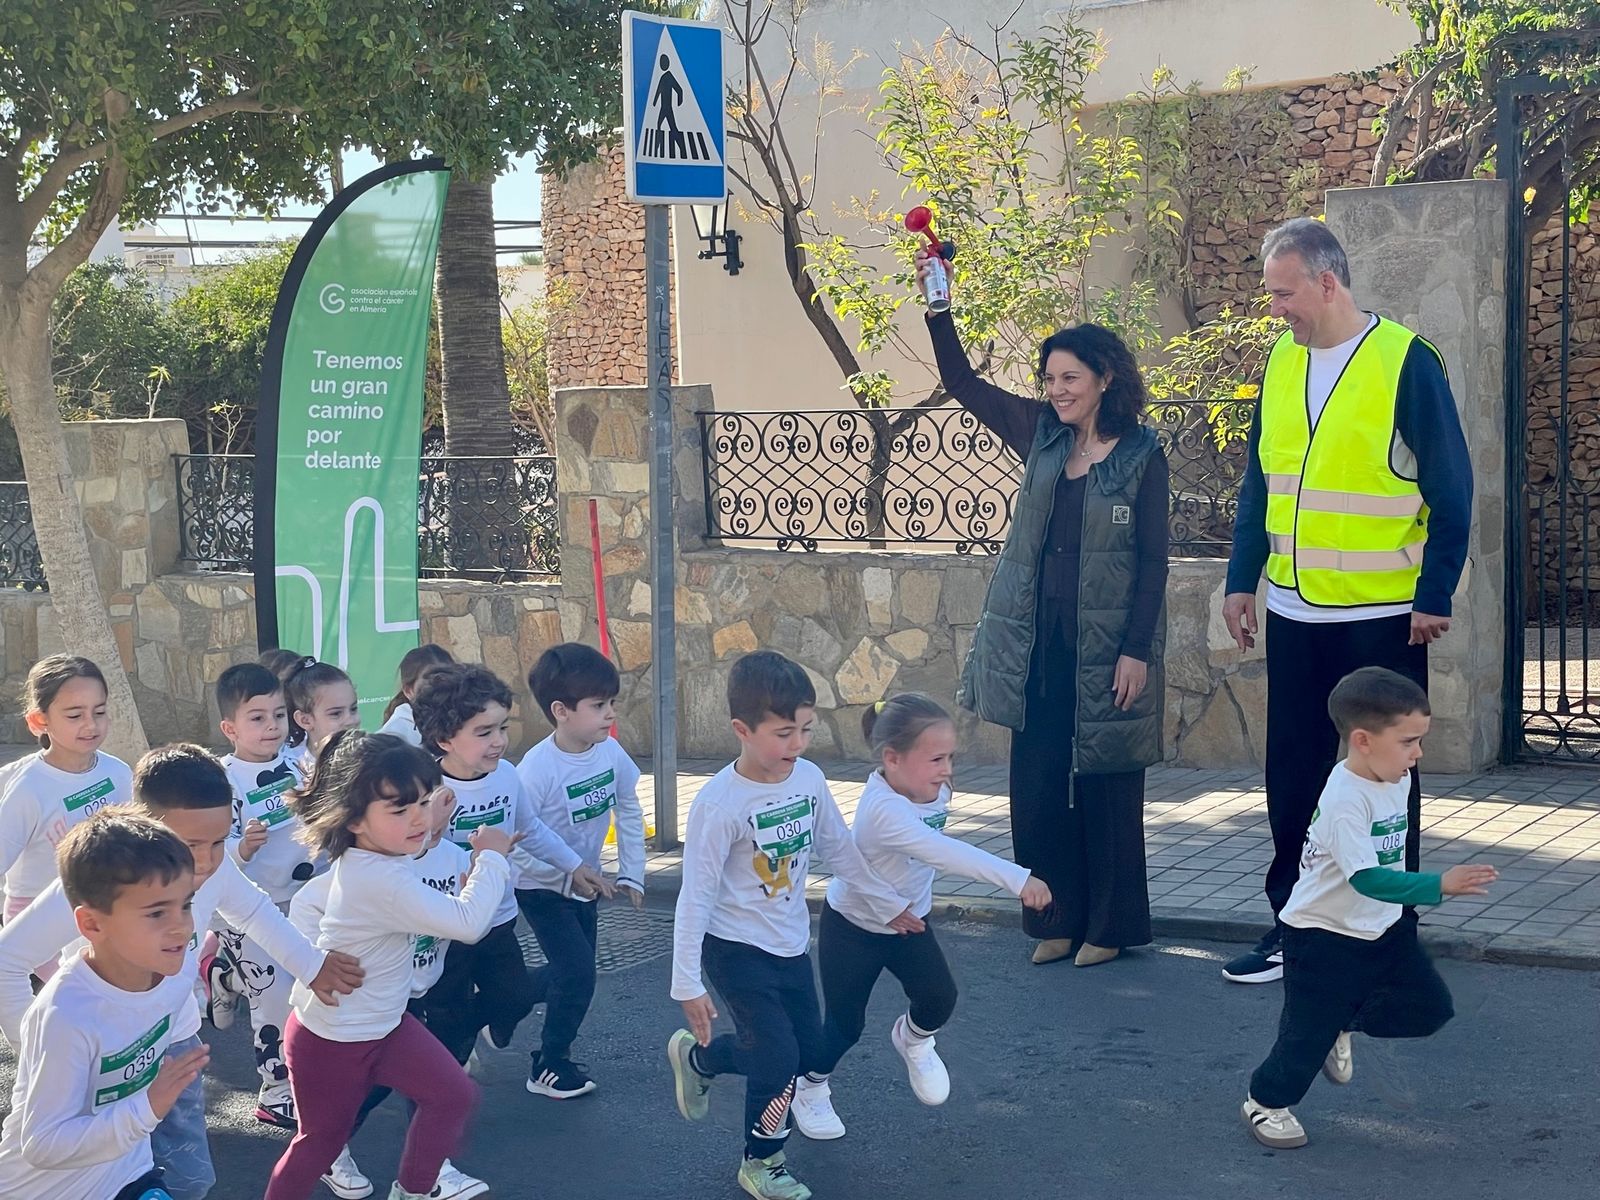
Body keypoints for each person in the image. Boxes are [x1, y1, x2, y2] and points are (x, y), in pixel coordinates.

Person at [1219, 217, 1473, 985]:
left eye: (1285, 293)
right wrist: (1241, 578)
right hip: (1297, 613)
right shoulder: (1279, 363)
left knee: (1387, 783)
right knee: (1293, 778)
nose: (1277, 310)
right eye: (1272, 295)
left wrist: (1435, 593)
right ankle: (1292, 927)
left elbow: (1452, 489)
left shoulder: (1406, 362)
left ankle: (1389, 934)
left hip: (1382, 618)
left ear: (1328, 282)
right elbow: (1261, 483)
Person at [915, 249, 1169, 967]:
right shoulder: (1040, 435)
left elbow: (1153, 561)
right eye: (1050, 379)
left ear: (1104, 380)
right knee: (1035, 784)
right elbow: (960, 380)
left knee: (1108, 788)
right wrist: (939, 305)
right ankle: (1053, 919)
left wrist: (1136, 650)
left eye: (1070, 378)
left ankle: (1109, 928)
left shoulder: (1143, 453)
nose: (1057, 390)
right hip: (1036, 643)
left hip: (1110, 647)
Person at [0, 742, 364, 1200]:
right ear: (146, 829)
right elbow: (7, 960)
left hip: (172, 1042)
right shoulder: (97, 885)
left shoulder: (213, 871)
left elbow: (253, 910)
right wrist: (41, 1050)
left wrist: (312, 965)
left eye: (218, 841)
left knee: (186, 1178)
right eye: (192, 844)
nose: (208, 861)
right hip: (99, 1058)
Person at [666, 650, 922, 1200]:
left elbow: (839, 850)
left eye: (805, 729)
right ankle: (762, 1161)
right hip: (734, 949)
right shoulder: (718, 804)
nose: (799, 744)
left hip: (789, 944)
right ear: (742, 729)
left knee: (804, 1051)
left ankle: (700, 1058)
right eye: (784, 733)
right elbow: (696, 894)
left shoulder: (807, 778)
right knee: (778, 1059)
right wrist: (686, 982)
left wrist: (883, 902)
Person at [1242, 668, 1496, 1148]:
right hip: (1322, 938)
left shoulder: (1395, 776)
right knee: (1303, 1039)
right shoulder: (1344, 800)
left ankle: (1345, 1020)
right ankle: (1265, 1102)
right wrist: (1438, 885)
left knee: (1430, 1009)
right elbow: (1369, 878)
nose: (1418, 753)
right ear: (1362, 740)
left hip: (1383, 929)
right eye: (1408, 742)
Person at [791, 693, 1052, 1141]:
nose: (947, 770)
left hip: (909, 923)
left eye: (949, 757)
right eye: (935, 759)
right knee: (843, 1027)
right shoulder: (882, 811)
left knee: (939, 999)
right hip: (855, 925)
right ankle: (809, 1088)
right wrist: (1019, 879)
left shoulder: (935, 788)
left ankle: (913, 1039)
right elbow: (943, 852)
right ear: (892, 759)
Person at [264, 731, 508, 1200]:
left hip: (386, 1026)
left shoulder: (373, 855)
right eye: (400, 809)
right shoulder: (378, 878)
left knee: (452, 1095)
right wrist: (491, 858)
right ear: (354, 819)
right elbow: (470, 922)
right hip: (330, 1042)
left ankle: (413, 1190)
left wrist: (314, 954)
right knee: (320, 1143)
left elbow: (313, 899)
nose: (418, 819)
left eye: (424, 801)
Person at [0, 810, 207, 1200]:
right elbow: (42, 1144)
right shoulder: (66, 1015)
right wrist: (146, 1108)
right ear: (92, 925)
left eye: (186, 905)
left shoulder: (178, 971)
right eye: (157, 912)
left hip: (128, 1175)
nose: (181, 926)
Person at [412, 663, 610, 1062]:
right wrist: (433, 830)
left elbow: (530, 828)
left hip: (497, 917)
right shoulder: (425, 788)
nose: (499, 741)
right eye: (483, 733)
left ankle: (459, 1032)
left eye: (502, 728)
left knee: (516, 998)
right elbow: (405, 855)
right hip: (444, 925)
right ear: (444, 739)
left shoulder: (506, 775)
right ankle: (435, 1091)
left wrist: (574, 866)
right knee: (447, 1019)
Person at [515, 643, 646, 1099]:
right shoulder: (536, 770)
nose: (610, 714)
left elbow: (629, 806)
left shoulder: (609, 753)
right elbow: (518, 844)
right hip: (540, 887)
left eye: (612, 702)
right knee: (576, 975)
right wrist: (565, 875)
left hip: (587, 883)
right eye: (598, 705)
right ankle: (549, 1065)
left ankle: (502, 1000)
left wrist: (632, 873)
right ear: (561, 711)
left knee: (574, 971)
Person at [211, 661, 321, 1127]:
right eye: (257, 718)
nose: (272, 726)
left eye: (278, 714)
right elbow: (211, 851)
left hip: (305, 899)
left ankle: (227, 976)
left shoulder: (302, 763)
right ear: (229, 727)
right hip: (246, 907)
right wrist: (242, 847)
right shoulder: (220, 778)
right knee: (274, 992)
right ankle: (275, 1088)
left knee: (305, 982)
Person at [0, 654, 133, 979]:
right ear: (38, 721)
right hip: (37, 916)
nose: (91, 724)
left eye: (99, 712)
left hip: (103, 907)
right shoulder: (28, 789)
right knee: (79, 995)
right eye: (75, 715)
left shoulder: (117, 773)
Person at [284, 659, 362, 780]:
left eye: (353, 709)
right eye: (336, 713)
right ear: (305, 720)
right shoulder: (290, 769)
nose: (350, 720)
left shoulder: (369, 758)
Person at [377, 645, 456, 747]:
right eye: (431, 682)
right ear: (408, 691)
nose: (441, 689)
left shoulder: (466, 722)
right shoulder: (393, 738)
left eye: (448, 679)